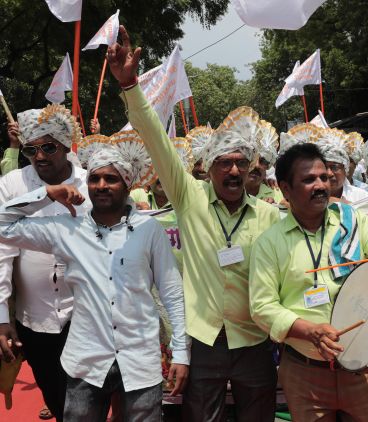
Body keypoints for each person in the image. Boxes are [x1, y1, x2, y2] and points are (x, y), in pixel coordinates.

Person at [107, 26, 281, 422]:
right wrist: (131, 86)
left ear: (252, 167)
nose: (234, 170)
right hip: (204, 340)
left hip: (255, 338)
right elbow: (156, 140)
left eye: (241, 162)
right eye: (225, 162)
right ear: (208, 169)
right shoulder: (189, 196)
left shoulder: (270, 214)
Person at [0, 144, 189, 421]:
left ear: (127, 184)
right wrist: (47, 193)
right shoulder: (67, 228)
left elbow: (172, 293)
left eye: (111, 179)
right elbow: (3, 226)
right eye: (94, 179)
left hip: (140, 361)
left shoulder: (149, 231)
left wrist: (181, 352)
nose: (101, 186)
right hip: (86, 362)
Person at [249, 143, 368, 421]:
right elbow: (262, 307)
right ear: (285, 189)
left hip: (362, 369)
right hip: (305, 373)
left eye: (323, 177)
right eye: (308, 180)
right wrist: (310, 331)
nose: (320, 186)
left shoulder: (353, 221)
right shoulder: (269, 243)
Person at [0, 105, 89, 421]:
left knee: (85, 403)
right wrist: (1, 317)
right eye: (30, 149)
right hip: (34, 320)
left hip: (85, 317)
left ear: (66, 145)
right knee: (54, 394)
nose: (39, 156)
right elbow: (2, 252)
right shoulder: (12, 184)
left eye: (48, 147)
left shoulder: (93, 184)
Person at [245, 120, 284, 204]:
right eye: (252, 159)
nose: (256, 165)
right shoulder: (224, 194)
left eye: (264, 161)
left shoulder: (281, 194)